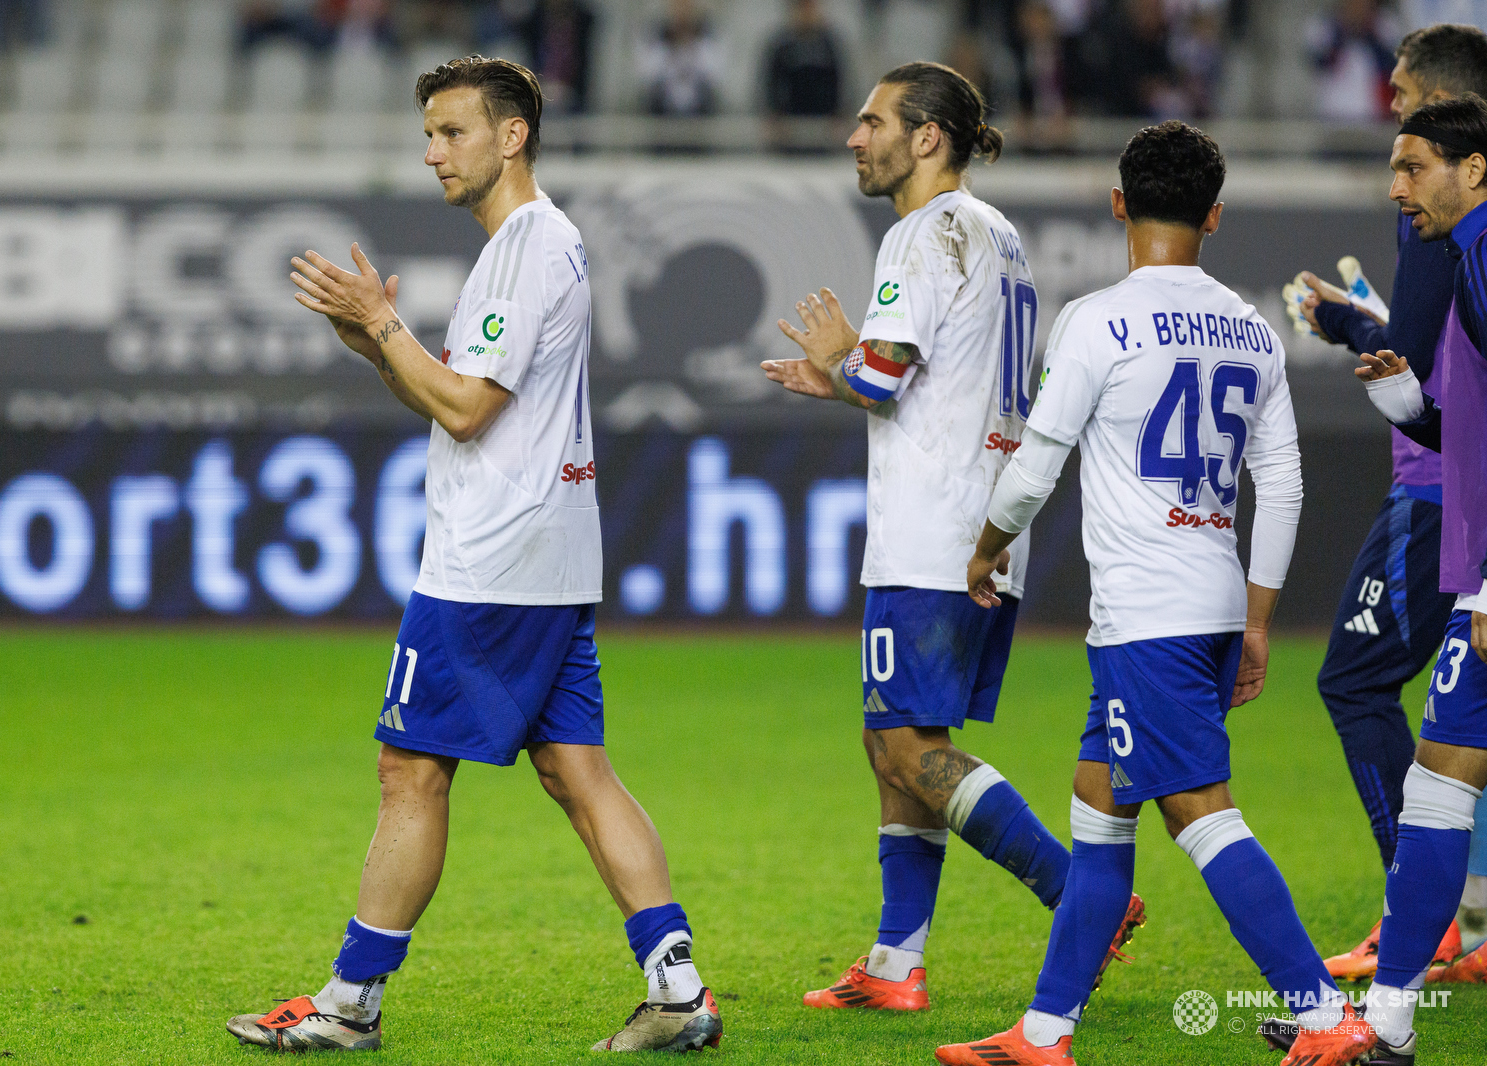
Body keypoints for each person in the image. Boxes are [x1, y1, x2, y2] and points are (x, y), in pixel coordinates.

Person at [224, 55, 722, 1054]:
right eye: (429, 133)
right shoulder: (540, 245)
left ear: (512, 135)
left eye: (452, 131)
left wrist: (384, 325)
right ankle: (679, 990)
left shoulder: (528, 247)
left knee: (410, 769)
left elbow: (465, 405)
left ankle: (348, 1003)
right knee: (576, 769)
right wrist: (373, 344)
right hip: (545, 553)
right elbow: (460, 397)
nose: (432, 151)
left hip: (488, 563)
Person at [939, 121, 1377, 1066]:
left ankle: (1321, 1017)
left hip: (1149, 618)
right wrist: (1257, 621)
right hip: (1210, 603)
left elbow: (1030, 470)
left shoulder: (1098, 320)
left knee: (1202, 813)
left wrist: (984, 551)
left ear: (1117, 205)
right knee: (1099, 812)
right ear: (1214, 216)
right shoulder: (1253, 329)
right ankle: (1045, 1031)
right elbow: (1287, 484)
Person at [762, 60, 1139, 1016]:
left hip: (933, 531)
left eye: (872, 119)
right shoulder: (998, 234)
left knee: (902, 747)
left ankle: (1082, 901)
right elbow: (927, 382)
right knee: (893, 737)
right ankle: (897, 962)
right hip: (981, 523)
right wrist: (840, 378)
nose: (855, 136)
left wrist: (841, 357)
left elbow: (884, 378)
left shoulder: (921, 234)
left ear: (927, 135)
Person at [1285, 22, 1487, 984]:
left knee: (1357, 682)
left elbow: (1405, 347)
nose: (1389, 102)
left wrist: (1341, 320)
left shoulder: (1442, 222)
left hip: (1441, 497)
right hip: (1461, 485)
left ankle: (1420, 917)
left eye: (1402, 92)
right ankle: (1465, 916)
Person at [1337, 92, 1487, 1065]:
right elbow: (1465, 423)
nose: (1398, 187)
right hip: (1477, 567)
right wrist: (1405, 397)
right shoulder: (1464, 253)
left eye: (1415, 164)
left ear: (1473, 169)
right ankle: (1387, 1027)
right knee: (1436, 783)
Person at [762, 0, 845, 120]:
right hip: (790, 119)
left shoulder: (829, 45)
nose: (807, 14)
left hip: (824, 120)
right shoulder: (782, 45)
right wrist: (774, 112)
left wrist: (839, 112)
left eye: (810, 8)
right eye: (803, 8)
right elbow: (772, 82)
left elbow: (839, 80)